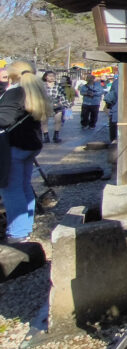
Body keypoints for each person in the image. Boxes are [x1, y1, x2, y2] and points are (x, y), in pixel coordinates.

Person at [0, 61, 46, 242]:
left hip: (13, 146)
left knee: (11, 190)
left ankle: (17, 233)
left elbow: (4, 119)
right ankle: (24, 228)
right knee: (24, 187)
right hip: (29, 145)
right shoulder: (34, 89)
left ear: (12, 74)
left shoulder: (15, 92)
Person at [42, 71, 71, 143]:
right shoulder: (42, 86)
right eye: (50, 76)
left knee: (58, 121)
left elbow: (63, 96)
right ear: (45, 77)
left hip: (57, 105)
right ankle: (46, 137)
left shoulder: (58, 86)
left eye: (53, 76)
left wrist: (67, 105)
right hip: (45, 105)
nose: (52, 77)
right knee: (44, 121)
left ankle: (56, 136)